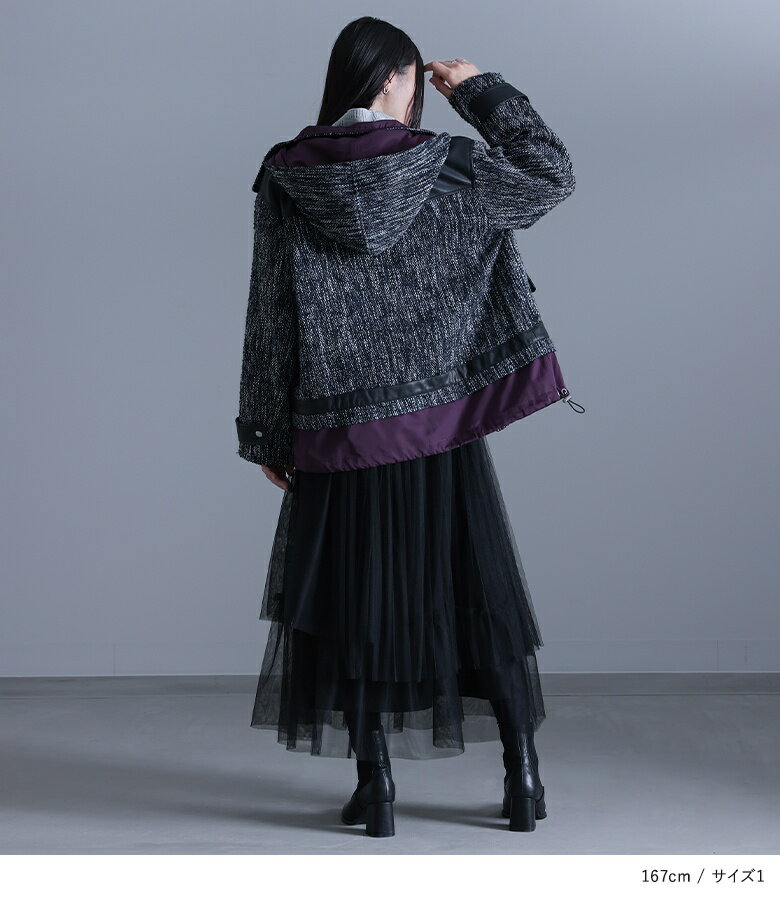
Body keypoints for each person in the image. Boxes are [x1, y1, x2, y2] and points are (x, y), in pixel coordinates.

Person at [235, 15, 582, 836]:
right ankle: (523, 779)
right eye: (414, 78)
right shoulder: (446, 163)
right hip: (439, 425)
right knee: (477, 596)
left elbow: (271, 315)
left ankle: (379, 789)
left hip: (339, 432)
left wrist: (267, 432)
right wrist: (483, 92)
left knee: (353, 609)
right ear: (397, 77)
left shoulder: (287, 175)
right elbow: (551, 174)